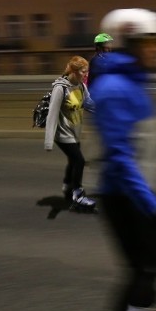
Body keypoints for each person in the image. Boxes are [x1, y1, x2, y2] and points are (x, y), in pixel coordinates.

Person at [90, 9, 156, 311]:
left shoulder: (134, 82)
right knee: (146, 265)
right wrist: (153, 207)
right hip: (124, 195)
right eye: (152, 43)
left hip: (140, 193)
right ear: (129, 44)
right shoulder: (114, 88)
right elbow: (120, 158)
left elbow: (144, 147)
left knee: (149, 264)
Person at [44, 55, 96, 211]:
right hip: (63, 133)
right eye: (83, 71)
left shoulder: (81, 86)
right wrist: (48, 140)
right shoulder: (60, 88)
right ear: (74, 71)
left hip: (75, 132)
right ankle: (78, 197)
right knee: (79, 161)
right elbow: (52, 114)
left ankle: (67, 186)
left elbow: (89, 104)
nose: (86, 74)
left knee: (73, 161)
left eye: (87, 71)